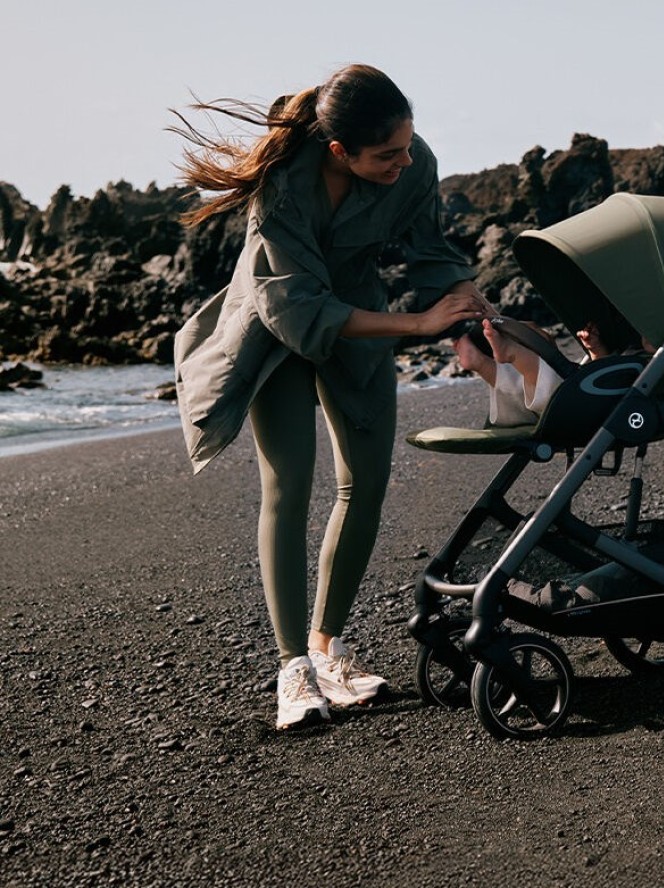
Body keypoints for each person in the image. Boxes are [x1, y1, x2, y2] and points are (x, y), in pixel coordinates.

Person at [171, 64, 488, 730]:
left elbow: (432, 251)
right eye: (387, 155)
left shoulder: (414, 162)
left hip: (360, 323)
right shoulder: (283, 186)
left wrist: (463, 325)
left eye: (408, 144)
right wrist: (417, 327)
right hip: (276, 326)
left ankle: (328, 650)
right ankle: (293, 670)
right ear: (340, 150)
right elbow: (298, 306)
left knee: (365, 481)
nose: (405, 161)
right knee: (288, 483)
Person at [454, 313, 652, 427]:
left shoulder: (660, 365)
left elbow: (611, 385)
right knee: (534, 386)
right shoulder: (635, 353)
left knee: (552, 387)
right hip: (594, 393)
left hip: (582, 406)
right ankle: (485, 364)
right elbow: (607, 377)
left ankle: (510, 352)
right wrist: (596, 351)